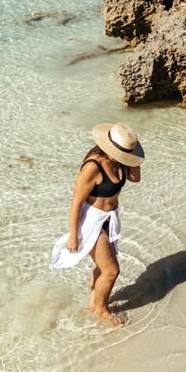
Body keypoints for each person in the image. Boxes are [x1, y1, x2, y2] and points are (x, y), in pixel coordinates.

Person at [49, 123, 144, 326]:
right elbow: (76, 202)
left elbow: (135, 178)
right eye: (123, 151)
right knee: (111, 271)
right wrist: (73, 235)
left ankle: (93, 303)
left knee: (103, 267)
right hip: (91, 220)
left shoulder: (121, 161)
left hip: (108, 219)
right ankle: (101, 310)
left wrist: (132, 153)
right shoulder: (93, 166)